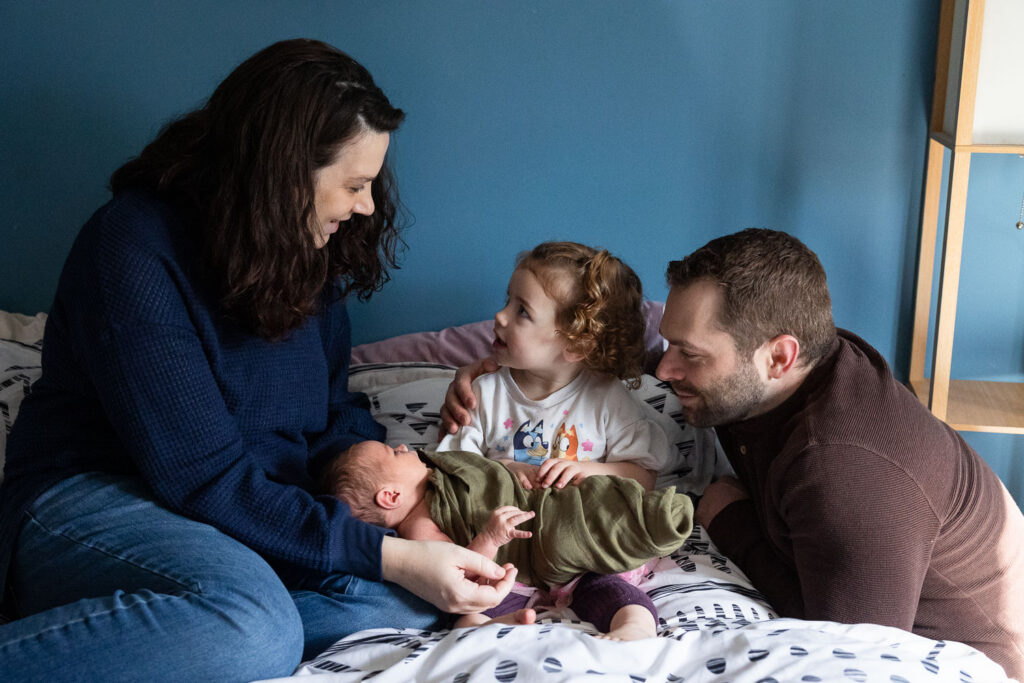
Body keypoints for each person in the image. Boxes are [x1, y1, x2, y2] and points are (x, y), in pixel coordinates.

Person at [0, 39, 516, 683]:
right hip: (97, 496)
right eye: (354, 184)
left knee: (406, 599)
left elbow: (335, 418)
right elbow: (201, 476)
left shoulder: (306, 252)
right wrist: (382, 552)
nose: (367, 207)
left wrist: (405, 526)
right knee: (256, 627)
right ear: (284, 173)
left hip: (239, 514)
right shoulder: (131, 248)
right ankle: (220, 620)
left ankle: (178, 626)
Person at [441, 227, 1024, 680]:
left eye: (687, 356)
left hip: (958, 653)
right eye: (669, 343)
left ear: (778, 356)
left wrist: (729, 521)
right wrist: (496, 369)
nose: (664, 370)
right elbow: (608, 347)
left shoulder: (844, 477)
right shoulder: (801, 363)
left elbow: (850, 645)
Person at [321, 440, 694, 640]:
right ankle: (500, 631)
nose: (404, 447)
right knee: (465, 620)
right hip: (508, 585)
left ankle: (634, 626)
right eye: (393, 453)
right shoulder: (418, 529)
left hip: (559, 559)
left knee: (605, 587)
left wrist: (508, 471)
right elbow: (460, 574)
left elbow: (488, 475)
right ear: (390, 497)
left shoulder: (443, 473)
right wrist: (488, 537)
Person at [437, 240, 671, 492]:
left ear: (576, 347)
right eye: (508, 301)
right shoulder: (483, 393)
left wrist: (590, 472)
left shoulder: (608, 398)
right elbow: (453, 466)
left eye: (523, 311)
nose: (500, 315)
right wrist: (504, 469)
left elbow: (644, 477)